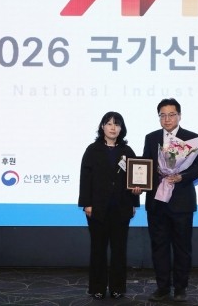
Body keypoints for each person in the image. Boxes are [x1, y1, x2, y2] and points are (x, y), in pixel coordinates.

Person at [143, 98, 198, 302]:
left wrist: (182, 176)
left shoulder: (191, 138)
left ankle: (180, 288)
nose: (167, 119)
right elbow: (146, 165)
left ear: (179, 116)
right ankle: (162, 288)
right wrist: (139, 182)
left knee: (182, 247)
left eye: (171, 114)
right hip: (157, 202)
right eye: (162, 115)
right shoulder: (151, 138)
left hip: (182, 202)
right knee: (159, 246)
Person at [79, 111, 142, 300]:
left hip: (121, 208)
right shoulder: (92, 150)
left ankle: (117, 288)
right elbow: (85, 178)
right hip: (97, 208)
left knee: (119, 250)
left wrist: (134, 201)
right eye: (109, 124)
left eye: (117, 124)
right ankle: (97, 288)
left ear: (122, 128)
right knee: (98, 249)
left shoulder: (127, 151)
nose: (113, 128)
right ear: (102, 127)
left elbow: (135, 180)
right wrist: (87, 203)